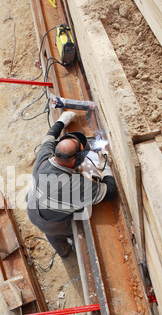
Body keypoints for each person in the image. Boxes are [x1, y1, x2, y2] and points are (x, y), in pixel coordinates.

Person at [26, 111, 116, 258]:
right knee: (71, 230)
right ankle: (74, 249)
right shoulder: (73, 185)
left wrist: (63, 120)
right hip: (52, 223)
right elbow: (110, 192)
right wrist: (106, 167)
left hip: (32, 209)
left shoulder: (44, 156)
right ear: (75, 161)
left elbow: (50, 135)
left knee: (50, 232)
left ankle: (62, 251)